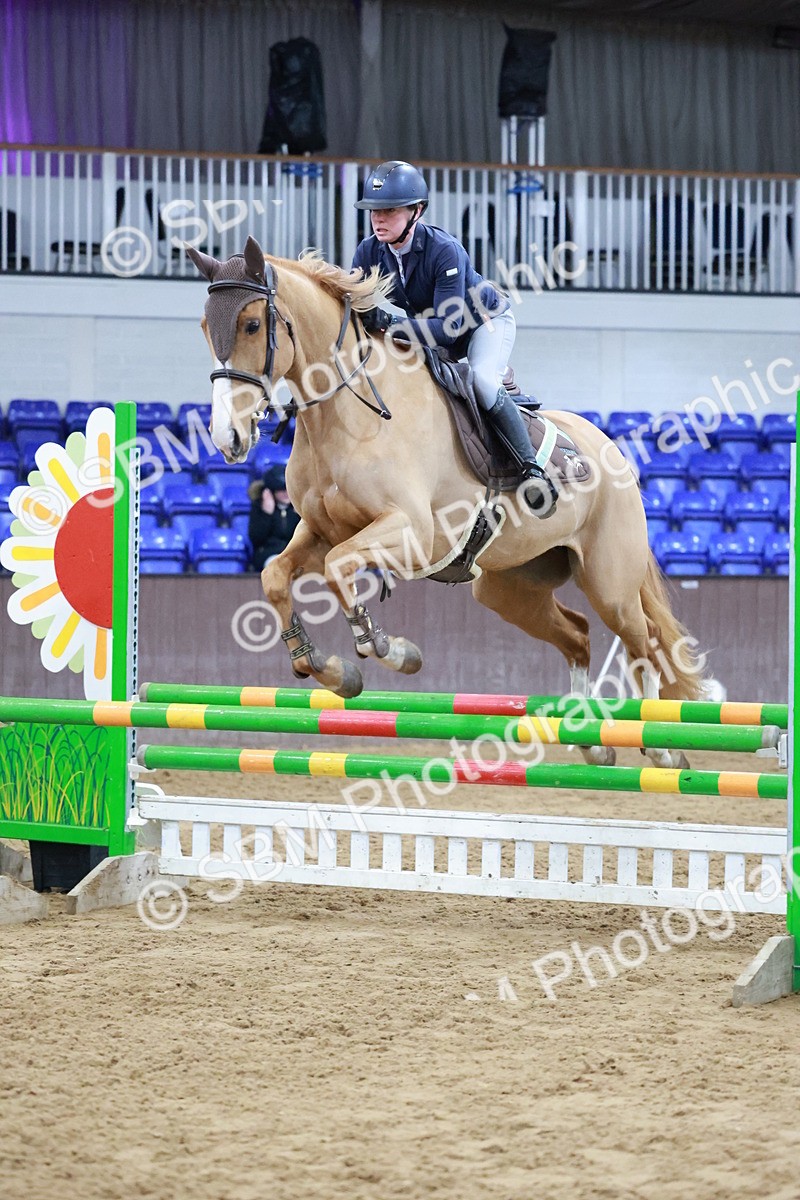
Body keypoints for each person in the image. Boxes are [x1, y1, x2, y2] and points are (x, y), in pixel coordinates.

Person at [351, 159, 553, 515]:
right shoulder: (368, 252)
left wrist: (387, 322)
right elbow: (355, 309)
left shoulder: (445, 250)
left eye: (390, 210)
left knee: (483, 383)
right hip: (431, 331)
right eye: (374, 211)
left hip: (482, 325)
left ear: (417, 211)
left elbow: (447, 329)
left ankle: (530, 470)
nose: (379, 218)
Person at [248, 465, 301, 571]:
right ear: (271, 491)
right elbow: (256, 539)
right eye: (281, 490)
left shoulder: (296, 509)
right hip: (268, 554)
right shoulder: (259, 507)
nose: (286, 494)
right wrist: (266, 514)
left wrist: (298, 516)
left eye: (288, 490)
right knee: (279, 566)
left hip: (294, 554)